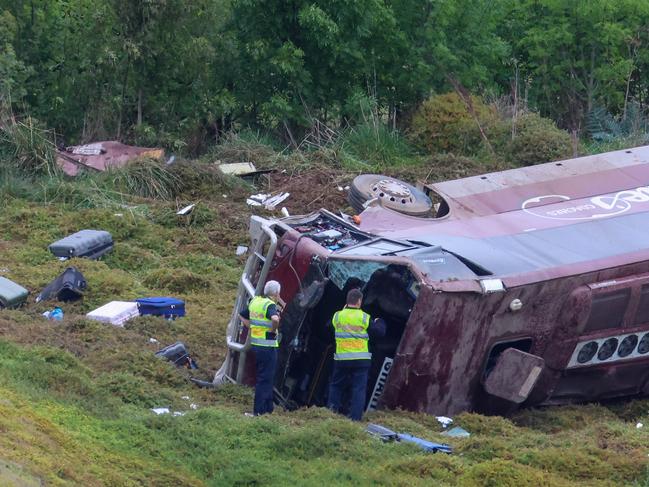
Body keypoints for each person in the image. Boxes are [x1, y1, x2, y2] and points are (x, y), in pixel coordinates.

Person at [328, 288, 385, 421]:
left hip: (342, 359)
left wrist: (343, 310)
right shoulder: (364, 317)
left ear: (347, 301)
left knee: (336, 386)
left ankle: (330, 413)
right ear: (359, 301)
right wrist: (380, 321)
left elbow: (331, 327)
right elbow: (380, 332)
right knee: (358, 389)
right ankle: (355, 419)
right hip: (360, 360)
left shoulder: (337, 316)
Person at [239, 280, 285, 416]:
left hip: (257, 345)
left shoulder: (255, 301)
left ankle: (267, 410)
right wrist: (272, 330)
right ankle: (259, 412)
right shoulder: (270, 305)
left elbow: (242, 315)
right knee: (265, 380)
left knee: (265, 378)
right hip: (268, 347)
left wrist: (252, 327)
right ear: (276, 293)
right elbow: (275, 319)